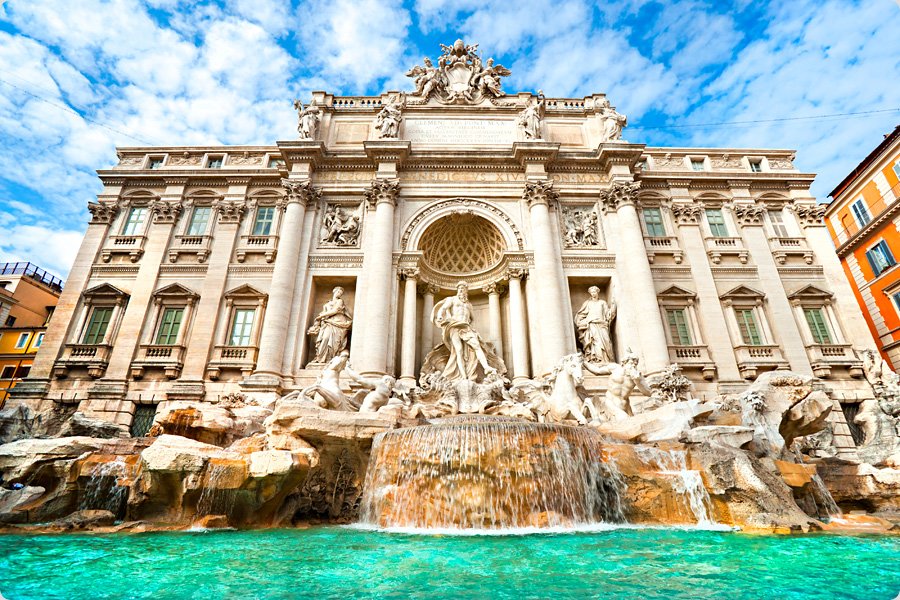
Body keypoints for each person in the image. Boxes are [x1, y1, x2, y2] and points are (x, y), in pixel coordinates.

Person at [431, 282, 496, 382]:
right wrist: (440, 315)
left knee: (477, 346)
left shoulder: (469, 305)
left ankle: (486, 367)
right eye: (459, 288)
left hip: (466, 327)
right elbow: (443, 308)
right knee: (459, 350)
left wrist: (470, 327)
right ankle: (463, 376)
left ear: (466, 291)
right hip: (454, 326)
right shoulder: (452, 299)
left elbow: (472, 318)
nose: (461, 290)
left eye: (463, 288)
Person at [307, 287, 353, 364]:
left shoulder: (340, 301)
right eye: (338, 292)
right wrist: (320, 319)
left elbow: (335, 310)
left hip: (338, 322)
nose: (339, 294)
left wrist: (321, 315)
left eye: (341, 293)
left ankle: (331, 359)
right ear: (334, 291)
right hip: (328, 323)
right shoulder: (326, 304)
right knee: (325, 338)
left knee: (336, 342)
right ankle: (320, 358)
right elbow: (323, 313)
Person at [574, 286, 616, 364]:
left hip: (602, 325)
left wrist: (613, 306)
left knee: (606, 341)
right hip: (592, 325)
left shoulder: (602, 302)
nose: (593, 293)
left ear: (597, 292)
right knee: (595, 342)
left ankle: (607, 360)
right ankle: (597, 360)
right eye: (592, 292)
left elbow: (608, 315)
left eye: (594, 292)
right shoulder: (587, 303)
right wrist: (581, 322)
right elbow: (580, 314)